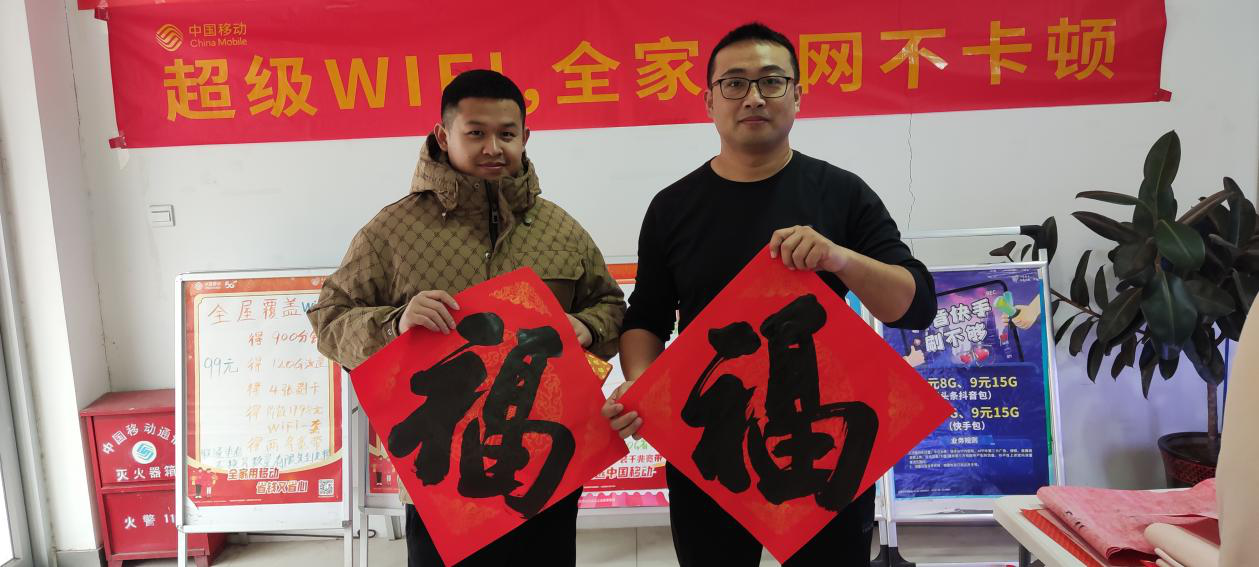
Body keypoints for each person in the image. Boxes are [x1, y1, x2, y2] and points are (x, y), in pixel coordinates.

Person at [602, 22, 937, 566]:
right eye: (734, 83)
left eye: (771, 81)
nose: (754, 97)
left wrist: (839, 258)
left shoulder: (841, 193)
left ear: (797, 96)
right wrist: (643, 386)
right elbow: (647, 317)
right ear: (709, 101)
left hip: (821, 440)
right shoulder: (672, 207)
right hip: (713, 441)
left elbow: (915, 306)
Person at [309, 69, 625, 567]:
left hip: (541, 465)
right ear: (443, 136)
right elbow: (329, 319)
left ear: (526, 136)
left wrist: (586, 328)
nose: (493, 147)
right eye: (475, 132)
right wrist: (395, 324)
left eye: (507, 133)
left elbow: (611, 306)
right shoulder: (392, 231)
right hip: (442, 474)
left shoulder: (559, 229)